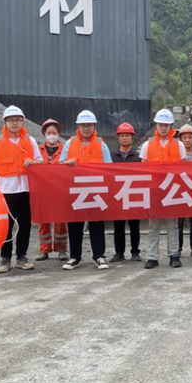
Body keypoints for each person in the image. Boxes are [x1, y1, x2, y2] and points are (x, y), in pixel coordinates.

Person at [0, 105, 43, 274]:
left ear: (23, 122)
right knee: (6, 226)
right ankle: (5, 258)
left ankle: (22, 257)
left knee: (24, 225)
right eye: (11, 120)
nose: (14, 123)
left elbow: (40, 161)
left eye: (17, 120)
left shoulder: (30, 141)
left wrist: (33, 162)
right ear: (5, 122)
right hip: (5, 192)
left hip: (27, 190)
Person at [60, 110, 113, 270]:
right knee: (75, 224)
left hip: (95, 190)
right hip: (76, 190)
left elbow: (109, 167)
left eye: (89, 125)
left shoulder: (101, 144)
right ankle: (74, 257)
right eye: (83, 125)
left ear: (94, 126)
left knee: (97, 224)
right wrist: (67, 164)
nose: (86, 128)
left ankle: (99, 256)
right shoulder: (69, 143)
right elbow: (60, 165)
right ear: (78, 126)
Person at [141, 109, 187, 269]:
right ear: (156, 125)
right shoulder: (147, 145)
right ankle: (152, 257)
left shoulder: (179, 145)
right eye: (160, 124)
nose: (163, 128)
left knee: (172, 224)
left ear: (171, 126)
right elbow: (142, 170)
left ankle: (174, 255)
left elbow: (183, 169)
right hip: (154, 191)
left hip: (172, 191)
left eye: (166, 125)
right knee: (153, 225)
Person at [35, 118, 68, 262]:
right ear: (44, 134)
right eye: (49, 133)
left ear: (58, 133)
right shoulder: (38, 149)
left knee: (61, 221)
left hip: (60, 190)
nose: (51, 135)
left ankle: (62, 250)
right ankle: (44, 250)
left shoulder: (65, 149)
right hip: (42, 191)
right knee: (43, 221)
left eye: (54, 132)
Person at [110, 122, 142, 263]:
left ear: (132, 138)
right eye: (122, 135)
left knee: (134, 225)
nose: (124, 138)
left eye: (127, 136)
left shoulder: (138, 157)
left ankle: (135, 252)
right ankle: (119, 253)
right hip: (117, 195)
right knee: (118, 226)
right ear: (118, 138)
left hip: (133, 195)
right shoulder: (111, 156)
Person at [176, 124, 192, 257]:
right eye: (184, 137)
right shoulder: (177, 153)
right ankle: (178, 248)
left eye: (190, 137)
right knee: (179, 222)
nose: (187, 140)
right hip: (180, 191)